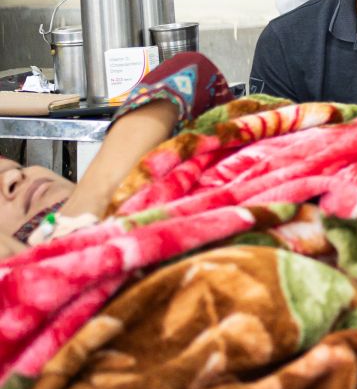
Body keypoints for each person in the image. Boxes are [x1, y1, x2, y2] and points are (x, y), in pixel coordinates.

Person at [0, 53, 237, 258]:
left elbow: (192, 70)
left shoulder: (156, 189)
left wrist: (86, 205)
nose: (14, 179)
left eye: (19, 168)